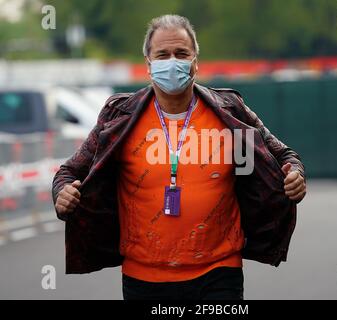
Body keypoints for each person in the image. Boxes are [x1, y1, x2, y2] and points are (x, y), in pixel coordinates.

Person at [52, 14, 306, 300]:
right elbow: (68, 173)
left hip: (219, 274)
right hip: (143, 278)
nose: (172, 62)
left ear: (195, 61)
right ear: (149, 64)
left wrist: (295, 174)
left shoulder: (230, 111)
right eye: (163, 54)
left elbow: (284, 155)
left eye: (181, 54)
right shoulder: (119, 116)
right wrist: (62, 193)